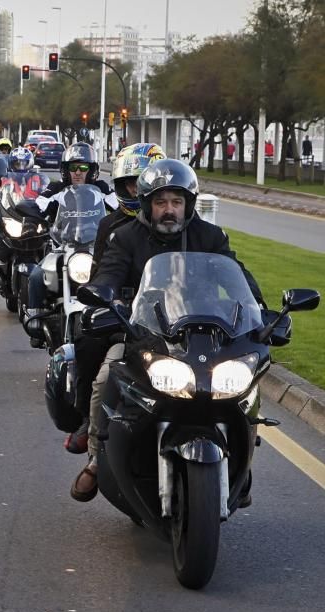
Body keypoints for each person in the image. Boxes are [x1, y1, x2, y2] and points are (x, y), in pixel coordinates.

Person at [71, 159, 264, 502]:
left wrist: (260, 310)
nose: (169, 210)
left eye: (176, 202)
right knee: (104, 379)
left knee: (245, 387)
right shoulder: (126, 238)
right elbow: (109, 275)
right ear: (147, 204)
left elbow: (236, 275)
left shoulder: (209, 236)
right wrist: (104, 297)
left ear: (188, 204)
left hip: (202, 334)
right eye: (161, 203)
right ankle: (96, 462)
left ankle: (242, 464)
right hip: (141, 335)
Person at [58, 143, 167, 455]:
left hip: (177, 320)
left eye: (146, 182)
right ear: (122, 185)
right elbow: (102, 276)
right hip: (128, 319)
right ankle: (89, 434)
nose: (138, 189)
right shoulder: (112, 226)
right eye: (132, 183)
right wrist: (109, 302)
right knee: (89, 342)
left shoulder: (186, 224)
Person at [36, 142, 116, 217]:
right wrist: (31, 223)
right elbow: (38, 204)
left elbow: (120, 207)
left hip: (96, 231)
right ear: (66, 170)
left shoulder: (101, 189)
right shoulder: (56, 188)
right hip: (60, 231)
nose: (78, 172)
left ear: (92, 170)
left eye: (83, 168)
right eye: (73, 167)